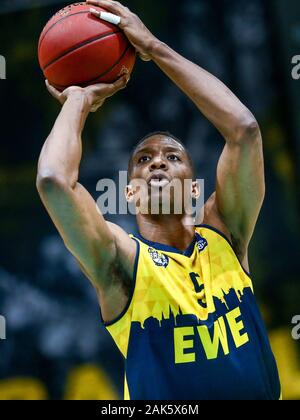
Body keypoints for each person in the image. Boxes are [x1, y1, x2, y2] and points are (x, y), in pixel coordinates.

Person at [37, 0, 281, 400]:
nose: (157, 164)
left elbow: (244, 129)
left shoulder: (226, 236)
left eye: (173, 157)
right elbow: (52, 180)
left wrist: (153, 47)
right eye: (143, 160)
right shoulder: (122, 263)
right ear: (129, 192)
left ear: (195, 188)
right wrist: (79, 99)